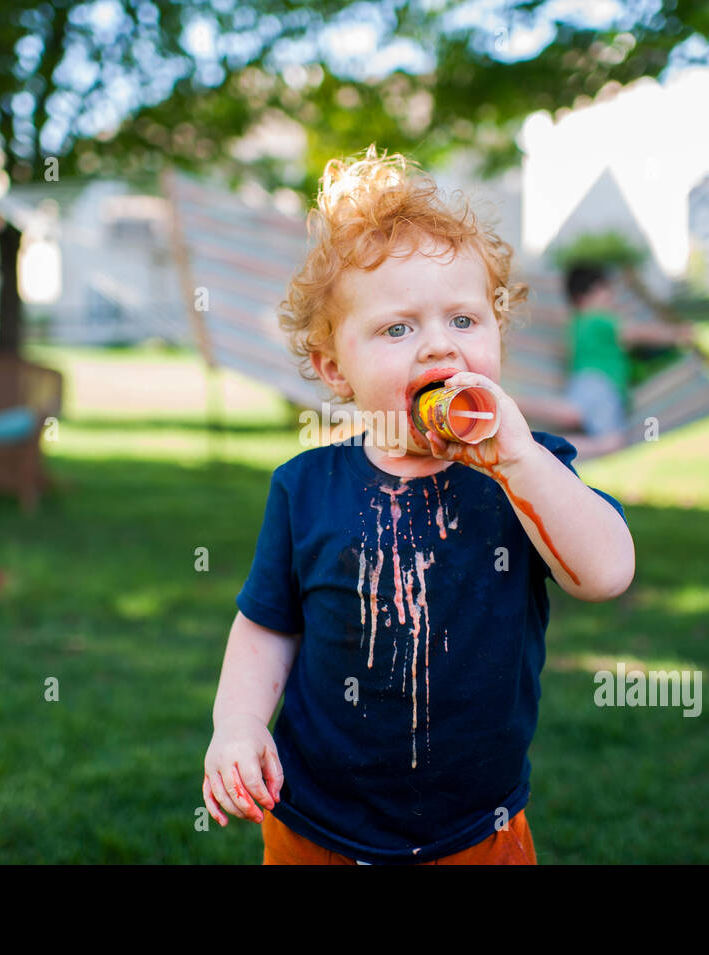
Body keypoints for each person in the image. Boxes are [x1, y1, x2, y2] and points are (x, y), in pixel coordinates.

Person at [201, 146, 635, 865]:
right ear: (335, 366)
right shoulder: (305, 486)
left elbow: (607, 571)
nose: (439, 345)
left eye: (465, 320)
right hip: (317, 826)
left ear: (497, 332)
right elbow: (266, 625)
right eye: (398, 329)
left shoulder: (528, 470)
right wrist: (238, 723)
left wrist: (521, 462)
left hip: (476, 830)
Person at [550, 263, 695, 458]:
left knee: (573, 413)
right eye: (605, 291)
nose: (611, 297)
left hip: (581, 382)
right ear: (587, 295)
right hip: (603, 384)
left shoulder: (576, 322)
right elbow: (636, 333)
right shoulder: (600, 319)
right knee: (610, 444)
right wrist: (677, 333)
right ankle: (542, 444)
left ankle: (530, 425)